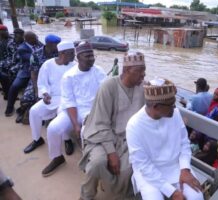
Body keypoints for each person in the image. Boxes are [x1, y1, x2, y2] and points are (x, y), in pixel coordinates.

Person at [79, 52, 146, 200]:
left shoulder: (143, 87)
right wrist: (111, 152)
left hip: (129, 139)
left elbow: (156, 106)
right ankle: (86, 196)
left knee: (126, 170)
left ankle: (120, 195)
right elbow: (101, 123)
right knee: (97, 164)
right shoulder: (108, 86)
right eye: (139, 70)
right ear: (127, 70)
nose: (143, 75)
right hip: (101, 137)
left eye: (144, 69)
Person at [126, 78, 204, 200]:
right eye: (171, 105)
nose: (175, 108)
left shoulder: (175, 113)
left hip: (176, 166)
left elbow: (184, 143)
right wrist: (172, 192)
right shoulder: (134, 125)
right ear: (156, 106)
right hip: (149, 174)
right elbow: (144, 165)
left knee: (197, 197)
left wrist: (185, 169)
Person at [41, 42, 106, 177]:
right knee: (53, 128)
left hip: (92, 110)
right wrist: (75, 124)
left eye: (92, 55)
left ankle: (87, 160)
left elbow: (106, 92)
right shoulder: (69, 76)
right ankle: (57, 157)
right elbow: (69, 101)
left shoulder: (99, 71)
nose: (91, 58)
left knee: (84, 131)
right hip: (72, 110)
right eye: (87, 56)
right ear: (79, 57)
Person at [23, 41, 76, 154]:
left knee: (63, 114)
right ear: (61, 53)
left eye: (74, 52)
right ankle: (37, 139)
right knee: (34, 111)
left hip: (67, 99)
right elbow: (41, 83)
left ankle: (67, 140)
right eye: (71, 53)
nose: (74, 56)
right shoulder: (48, 64)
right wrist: (45, 94)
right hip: (51, 98)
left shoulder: (75, 66)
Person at [16, 34, 61, 123]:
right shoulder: (36, 54)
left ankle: (51, 116)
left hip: (55, 79)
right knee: (27, 98)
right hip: (38, 79)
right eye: (57, 44)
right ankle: (23, 111)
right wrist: (37, 90)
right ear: (49, 44)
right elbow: (34, 74)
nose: (59, 46)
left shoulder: (60, 53)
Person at [4, 31, 43, 116]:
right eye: (34, 38)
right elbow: (33, 59)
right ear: (28, 39)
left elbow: (44, 49)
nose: (37, 39)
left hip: (40, 70)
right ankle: (9, 108)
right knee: (15, 86)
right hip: (26, 71)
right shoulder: (22, 48)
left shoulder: (38, 43)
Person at [0, 28, 24, 100]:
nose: (17, 37)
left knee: (11, 70)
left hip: (21, 62)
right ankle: (6, 92)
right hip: (11, 60)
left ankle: (11, 92)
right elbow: (9, 55)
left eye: (20, 35)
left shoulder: (25, 43)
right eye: (16, 35)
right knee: (2, 68)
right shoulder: (10, 43)